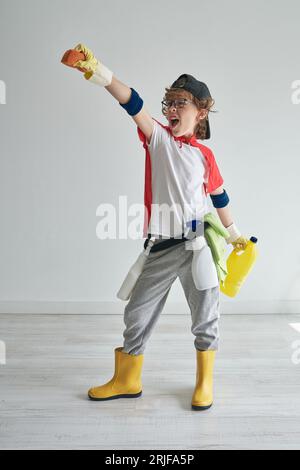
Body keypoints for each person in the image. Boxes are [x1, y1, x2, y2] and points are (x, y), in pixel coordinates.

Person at [62, 43, 248, 410]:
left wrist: (235, 235)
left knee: (206, 315)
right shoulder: (158, 138)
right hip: (161, 247)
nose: (173, 109)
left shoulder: (204, 156)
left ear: (202, 111)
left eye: (182, 102)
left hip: (197, 248)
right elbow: (132, 103)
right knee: (136, 312)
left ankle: (204, 382)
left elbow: (220, 198)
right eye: (170, 103)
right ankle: (127, 379)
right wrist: (99, 72)